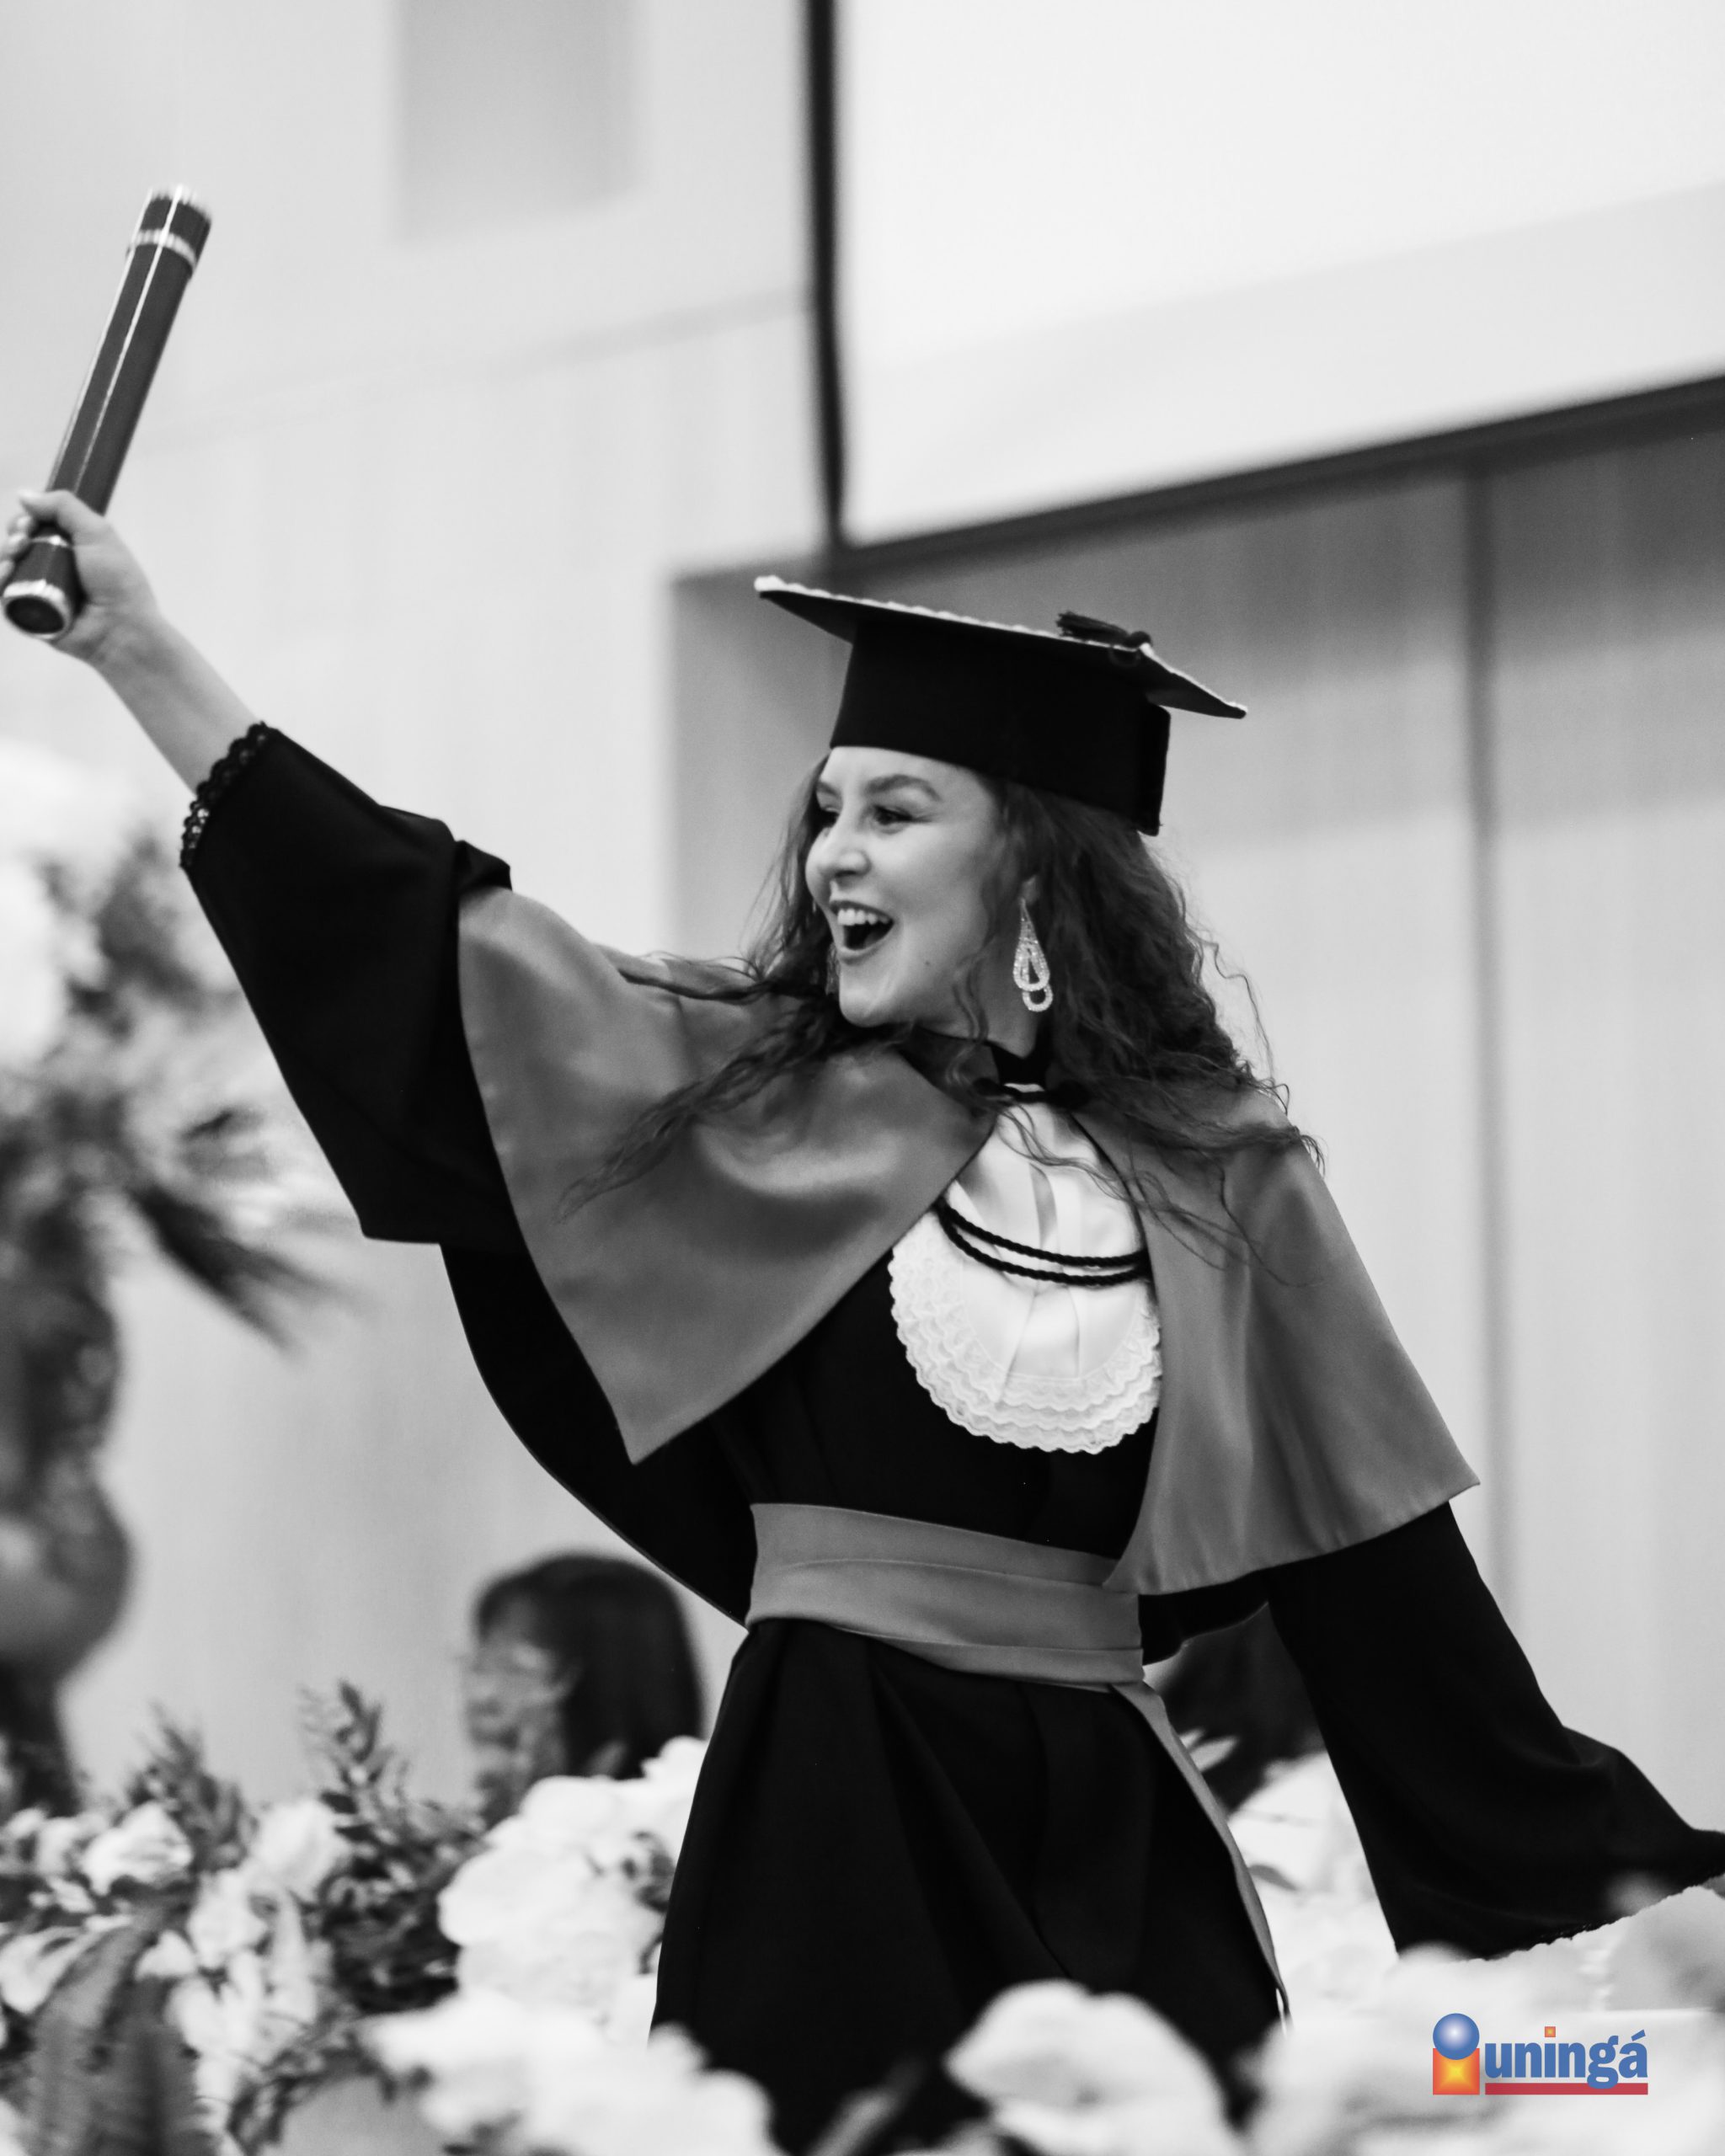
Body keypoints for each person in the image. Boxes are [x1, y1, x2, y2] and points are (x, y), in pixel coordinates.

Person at [5, 492, 1722, 2148]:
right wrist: (142, 650)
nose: (834, 850)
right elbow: (425, 942)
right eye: (827, 809)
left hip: (1118, 1851)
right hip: (830, 1824)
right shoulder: (743, 1102)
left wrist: (1662, 1962)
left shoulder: (1231, 1184)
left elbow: (1411, 1639)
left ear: (1035, 874)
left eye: (896, 810)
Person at [463, 1551, 703, 1821]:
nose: (482, 1696)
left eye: (516, 1670)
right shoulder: (483, 1822)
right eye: (480, 1666)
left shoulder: (674, 1829)